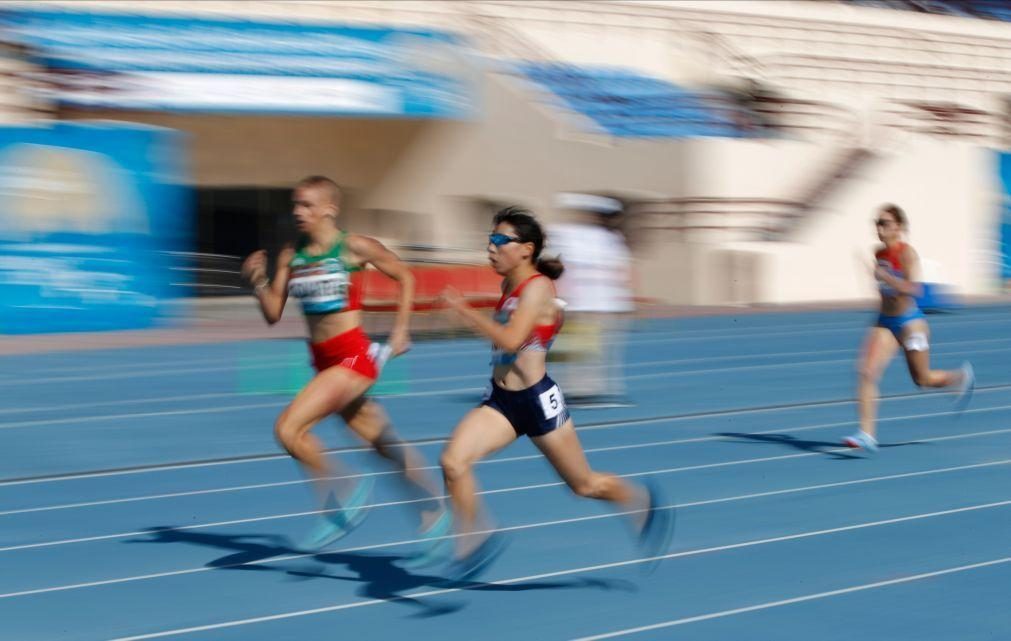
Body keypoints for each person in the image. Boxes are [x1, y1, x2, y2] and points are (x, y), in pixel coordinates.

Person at [438, 206, 672, 579]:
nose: (491, 247)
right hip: (501, 402)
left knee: (583, 485)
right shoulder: (508, 287)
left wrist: (466, 312)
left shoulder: (539, 288)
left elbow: (513, 340)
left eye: (500, 240)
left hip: (536, 401)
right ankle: (475, 534)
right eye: (490, 239)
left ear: (526, 249)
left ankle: (637, 500)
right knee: (453, 462)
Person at [240, 175, 448, 551]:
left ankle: (346, 494)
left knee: (288, 430)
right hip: (323, 362)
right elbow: (273, 312)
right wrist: (257, 280)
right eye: (295, 205)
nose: (297, 212)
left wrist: (401, 331)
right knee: (383, 444)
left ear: (329, 209)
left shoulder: (354, 247)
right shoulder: (292, 253)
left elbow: (406, 277)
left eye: (306, 205)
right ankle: (434, 512)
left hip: (353, 357)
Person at [844, 203, 974, 452]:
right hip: (884, 322)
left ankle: (959, 376)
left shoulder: (907, 254)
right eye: (877, 223)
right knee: (865, 371)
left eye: (885, 223)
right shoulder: (878, 253)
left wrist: (886, 278)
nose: (879, 228)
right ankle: (866, 434)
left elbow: (915, 289)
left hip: (910, 323)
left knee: (922, 379)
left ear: (899, 227)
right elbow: (883, 290)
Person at [547, 192, 636, 407]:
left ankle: (572, 388)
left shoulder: (567, 235)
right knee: (594, 350)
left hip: (586, 302)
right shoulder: (609, 240)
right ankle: (591, 388)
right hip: (600, 303)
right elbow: (623, 272)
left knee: (574, 349)